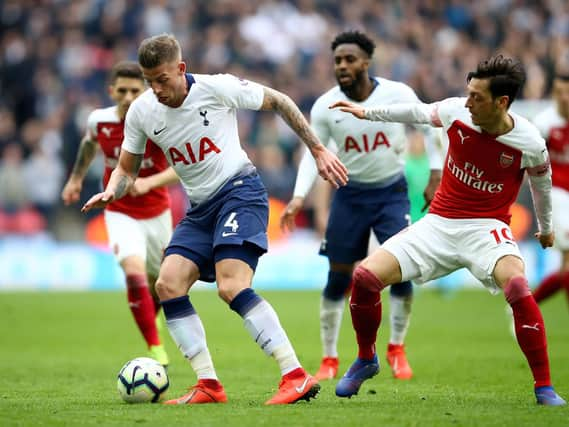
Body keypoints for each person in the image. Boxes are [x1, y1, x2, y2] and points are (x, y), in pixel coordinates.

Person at [81, 34, 348, 405]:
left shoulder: (216, 88)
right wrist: (113, 190)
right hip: (201, 208)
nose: (156, 89)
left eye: (162, 79)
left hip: (240, 191)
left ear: (181, 68)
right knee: (169, 283)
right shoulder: (143, 111)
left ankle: (295, 375)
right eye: (149, 80)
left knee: (230, 285)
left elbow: (281, 101)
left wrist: (317, 149)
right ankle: (209, 384)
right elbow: (126, 170)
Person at [329, 55, 566, 406]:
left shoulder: (529, 140)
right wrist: (367, 113)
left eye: (477, 98)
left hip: (487, 230)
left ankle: (544, 387)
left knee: (517, 286)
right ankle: (366, 358)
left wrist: (546, 229)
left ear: (502, 102)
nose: (468, 103)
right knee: (365, 277)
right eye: (468, 93)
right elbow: (417, 112)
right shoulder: (456, 111)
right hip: (438, 224)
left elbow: (542, 187)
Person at [280, 31, 441, 382]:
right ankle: (329, 358)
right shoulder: (324, 106)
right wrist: (297, 197)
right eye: (337, 60)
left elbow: (430, 126)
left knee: (401, 271)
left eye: (350, 59)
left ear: (367, 62)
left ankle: (396, 348)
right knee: (338, 277)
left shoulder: (397, 94)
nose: (342, 65)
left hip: (391, 193)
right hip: (350, 195)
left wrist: (435, 171)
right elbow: (316, 153)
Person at [61, 61, 174, 367]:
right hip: (119, 210)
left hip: (158, 212)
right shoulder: (100, 120)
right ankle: (155, 348)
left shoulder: (163, 120)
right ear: (111, 91)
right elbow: (88, 145)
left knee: (162, 284)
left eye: (134, 91)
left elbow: (183, 166)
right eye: (121, 90)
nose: (127, 97)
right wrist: (76, 179)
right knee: (133, 273)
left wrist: (148, 182)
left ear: (147, 91)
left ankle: (152, 318)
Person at [531, 73, 569, 307]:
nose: (564, 97)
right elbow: (530, 161)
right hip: (556, 197)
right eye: (559, 92)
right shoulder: (544, 123)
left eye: (568, 92)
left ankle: (524, 306)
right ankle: (525, 307)